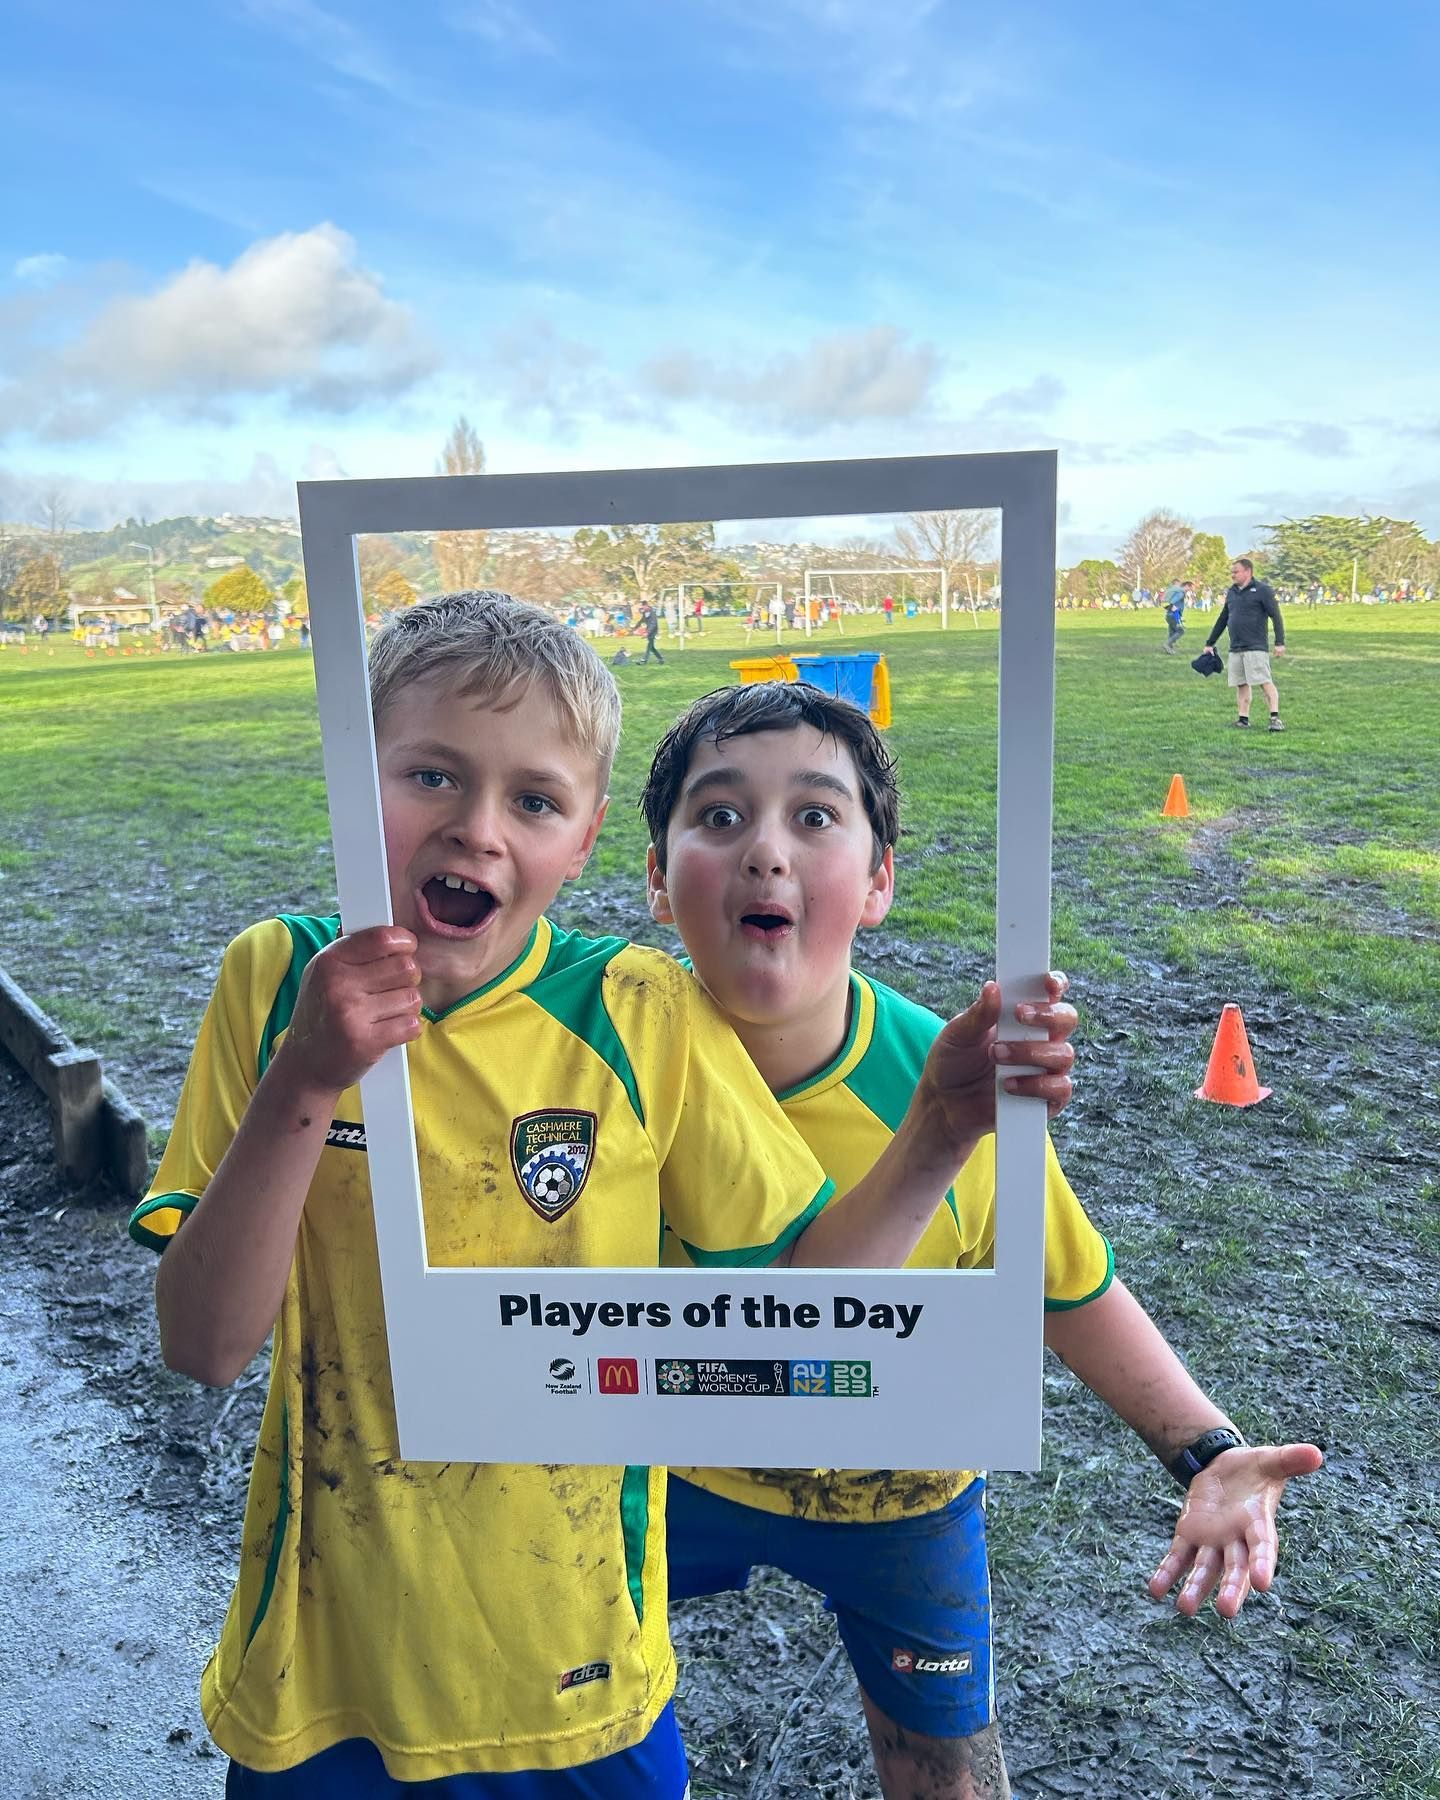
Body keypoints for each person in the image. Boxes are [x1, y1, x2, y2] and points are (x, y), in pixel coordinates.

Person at [130, 592, 1053, 1798]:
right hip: (324, 1676)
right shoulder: (274, 979)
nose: (476, 830)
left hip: (579, 1685)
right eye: (429, 778)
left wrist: (937, 1129)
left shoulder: (640, 1010)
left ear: (587, 837)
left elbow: (803, 1307)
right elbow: (202, 1346)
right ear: (356, 783)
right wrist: (310, 1074)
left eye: (534, 800)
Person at [639, 680, 1324, 1800]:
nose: (766, 850)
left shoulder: (958, 1080)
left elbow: (1064, 1283)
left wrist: (1207, 1450)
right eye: (719, 817)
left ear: (879, 883)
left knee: (947, 1775)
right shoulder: (601, 1068)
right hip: (660, 1467)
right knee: (571, 1721)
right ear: (660, 883)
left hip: (892, 1491)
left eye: (815, 818)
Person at [1204, 558, 1287, 730]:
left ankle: (1275, 718)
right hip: (1236, 647)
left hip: (1255, 646)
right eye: (1232, 572)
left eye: (1236, 571)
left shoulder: (1263, 590)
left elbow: (1276, 616)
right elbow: (1223, 618)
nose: (1232, 575)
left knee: (1264, 680)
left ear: (1248, 572)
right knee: (1241, 684)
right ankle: (1243, 719)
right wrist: (1210, 642)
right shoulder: (1232, 592)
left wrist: (1279, 642)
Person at [1162, 579, 1190, 653]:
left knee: (1172, 632)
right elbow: (1172, 602)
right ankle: (1167, 644)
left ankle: (1169, 649)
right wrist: (1176, 612)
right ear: (1186, 586)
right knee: (1180, 631)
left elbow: (1168, 603)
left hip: (1169, 615)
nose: (1190, 589)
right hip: (1174, 615)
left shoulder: (1173, 592)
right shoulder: (1181, 593)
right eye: (1189, 587)